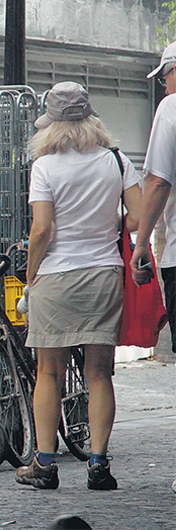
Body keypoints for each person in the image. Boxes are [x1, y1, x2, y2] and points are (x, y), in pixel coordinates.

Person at [18, 81, 142, 491]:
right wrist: (108, 228)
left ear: (49, 125)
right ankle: (99, 464)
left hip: (54, 276)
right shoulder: (116, 159)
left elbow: (42, 230)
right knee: (100, 373)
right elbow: (138, 218)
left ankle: (45, 464)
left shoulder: (45, 167)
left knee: (48, 372)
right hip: (104, 273)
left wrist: (31, 275)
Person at [133, 40, 176, 495]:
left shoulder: (171, 109)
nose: (163, 84)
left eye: (164, 75)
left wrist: (142, 242)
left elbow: (159, 179)